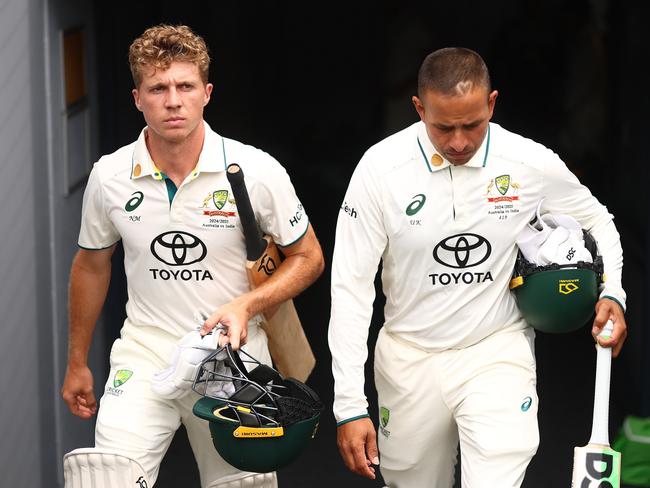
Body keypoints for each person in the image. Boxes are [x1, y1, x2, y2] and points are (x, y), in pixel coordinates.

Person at [328, 47, 627, 487]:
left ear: (491, 103)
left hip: (496, 350)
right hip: (409, 358)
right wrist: (349, 405)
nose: (459, 142)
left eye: (472, 124)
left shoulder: (527, 161)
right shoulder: (379, 169)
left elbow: (598, 220)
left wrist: (613, 292)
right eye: (443, 127)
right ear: (418, 108)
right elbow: (351, 288)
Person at [60, 24, 324, 487]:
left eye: (185, 86)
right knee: (103, 479)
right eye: (158, 88)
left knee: (245, 483)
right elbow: (91, 263)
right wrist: (78, 361)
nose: (173, 100)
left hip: (235, 357)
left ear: (207, 92)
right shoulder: (110, 175)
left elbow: (309, 258)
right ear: (138, 98)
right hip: (145, 352)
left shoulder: (256, 170)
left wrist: (246, 305)